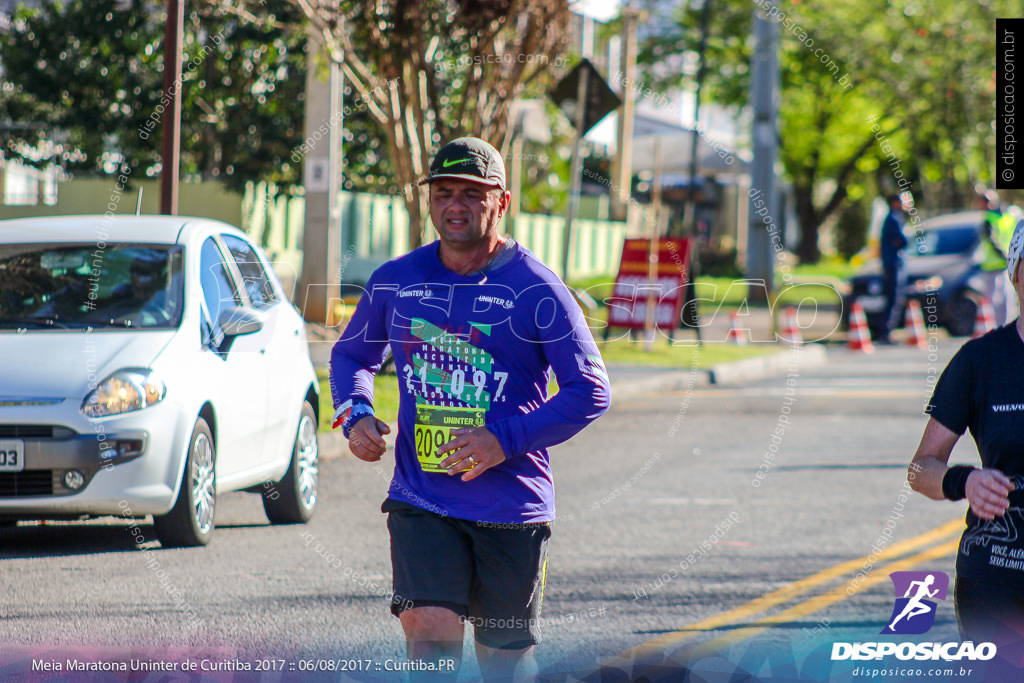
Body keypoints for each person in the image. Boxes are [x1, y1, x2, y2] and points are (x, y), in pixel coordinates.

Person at [329, 136, 611, 681]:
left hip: (511, 506)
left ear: (501, 203)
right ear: (429, 201)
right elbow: (351, 356)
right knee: (429, 638)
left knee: (504, 663)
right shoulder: (397, 281)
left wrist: (502, 440)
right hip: (421, 496)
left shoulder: (537, 289)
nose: (455, 206)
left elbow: (590, 391)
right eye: (444, 192)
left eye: (473, 195)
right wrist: (356, 413)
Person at [908, 217, 1024, 678]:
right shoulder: (979, 362)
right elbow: (921, 469)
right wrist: (965, 481)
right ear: (1015, 274)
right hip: (994, 574)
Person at [976, 188, 1019, 327]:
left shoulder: (1007, 218)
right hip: (993, 266)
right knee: (995, 301)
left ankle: (1005, 326)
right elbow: (991, 241)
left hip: (1004, 266)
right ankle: (999, 327)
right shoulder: (989, 219)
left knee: (1006, 299)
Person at [877, 193, 908, 343]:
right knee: (894, 298)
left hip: (892, 264)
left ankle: (887, 330)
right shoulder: (894, 219)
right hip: (894, 264)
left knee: (892, 298)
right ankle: (886, 331)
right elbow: (902, 240)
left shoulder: (892, 218)